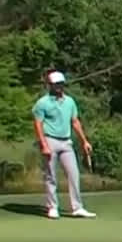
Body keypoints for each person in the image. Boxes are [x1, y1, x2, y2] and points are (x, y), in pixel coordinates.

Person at [32, 70, 96, 220]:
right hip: (50, 140)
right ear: (49, 85)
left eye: (61, 84)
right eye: (55, 85)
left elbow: (75, 121)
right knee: (50, 176)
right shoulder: (42, 103)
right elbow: (38, 124)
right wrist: (44, 144)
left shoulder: (69, 101)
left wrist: (84, 141)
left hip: (66, 141)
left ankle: (77, 207)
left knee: (74, 174)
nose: (59, 87)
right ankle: (52, 207)